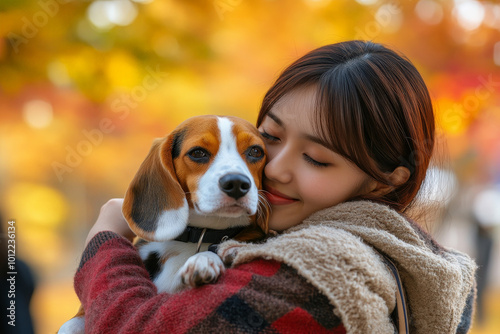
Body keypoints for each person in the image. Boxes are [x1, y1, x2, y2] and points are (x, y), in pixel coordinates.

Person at [74, 41, 476, 333]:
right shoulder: (400, 253)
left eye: (317, 158)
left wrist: (105, 238)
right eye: (268, 140)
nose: (275, 170)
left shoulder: (319, 272)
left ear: (384, 180)